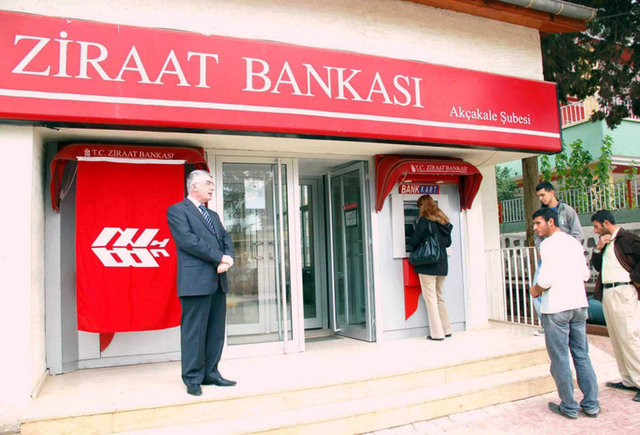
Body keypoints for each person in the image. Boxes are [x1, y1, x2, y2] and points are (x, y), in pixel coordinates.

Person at [167, 170, 236, 396]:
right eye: (208, 183)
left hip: (218, 280)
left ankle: (211, 373)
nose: (212, 187)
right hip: (195, 281)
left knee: (215, 331)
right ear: (193, 186)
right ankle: (192, 378)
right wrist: (219, 258)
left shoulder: (212, 215)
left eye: (212, 183)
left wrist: (228, 258)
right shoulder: (177, 211)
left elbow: (225, 239)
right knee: (194, 332)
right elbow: (189, 241)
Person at [529, 207, 599, 419]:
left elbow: (546, 278)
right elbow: (585, 274)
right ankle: (591, 404)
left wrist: (536, 290)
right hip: (578, 304)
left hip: (556, 308)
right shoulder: (574, 243)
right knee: (582, 355)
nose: (535, 228)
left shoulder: (548, 244)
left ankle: (569, 406)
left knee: (560, 358)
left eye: (538, 223)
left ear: (551, 222)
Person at [590, 209, 640, 402]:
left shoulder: (627, 238)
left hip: (623, 291)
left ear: (605, 223)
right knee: (617, 337)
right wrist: (598, 248)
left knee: (629, 337)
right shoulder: (605, 242)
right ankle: (628, 379)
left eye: (596, 226)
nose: (595, 231)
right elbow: (597, 265)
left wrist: (635, 279)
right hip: (609, 292)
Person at [532, 181, 584, 336]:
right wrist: (541, 250)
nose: (541, 198)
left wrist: (567, 249)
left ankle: (567, 322)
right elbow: (537, 237)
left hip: (566, 258)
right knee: (537, 289)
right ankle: (547, 324)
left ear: (552, 192)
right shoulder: (541, 213)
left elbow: (577, 234)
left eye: (543, 194)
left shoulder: (567, 211)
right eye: (538, 196)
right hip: (547, 256)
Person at [407, 194, 453, 341]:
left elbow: (414, 240)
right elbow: (447, 243)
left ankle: (437, 334)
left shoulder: (424, 221)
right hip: (442, 264)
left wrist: (410, 239)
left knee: (431, 299)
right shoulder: (443, 221)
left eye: (419, 206)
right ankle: (446, 329)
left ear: (423, 206)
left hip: (428, 265)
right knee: (439, 298)